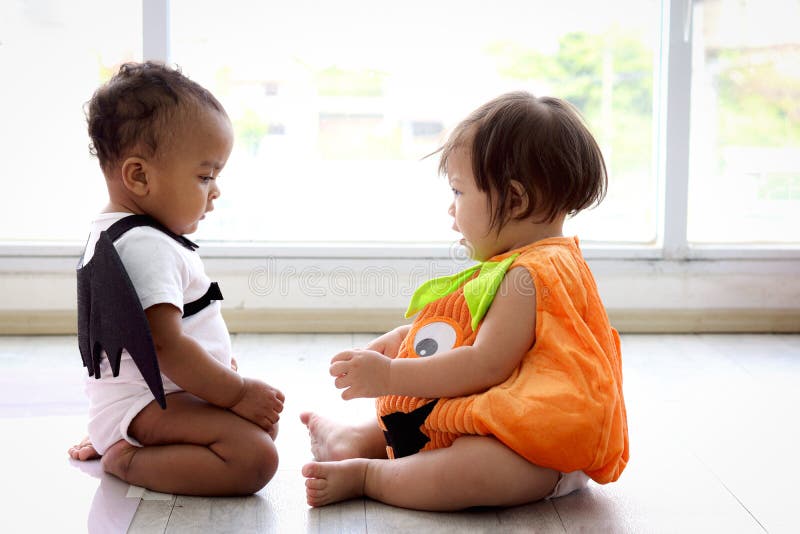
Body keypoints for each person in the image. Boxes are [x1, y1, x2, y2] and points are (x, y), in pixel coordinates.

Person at [301, 91, 629, 510]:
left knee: (469, 467)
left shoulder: (530, 274)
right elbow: (478, 331)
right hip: (518, 416)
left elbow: (482, 364)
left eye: (458, 192)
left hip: (542, 448)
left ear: (514, 199)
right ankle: (352, 439)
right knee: (429, 417)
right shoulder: (534, 261)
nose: (451, 211)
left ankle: (369, 476)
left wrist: (391, 375)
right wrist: (406, 337)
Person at [67, 62, 284, 496]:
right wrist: (235, 392)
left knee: (260, 431)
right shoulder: (144, 246)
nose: (215, 190)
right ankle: (126, 457)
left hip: (146, 400)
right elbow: (165, 345)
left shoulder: (121, 234)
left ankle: (125, 435)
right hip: (146, 404)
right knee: (255, 458)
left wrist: (218, 377)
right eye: (205, 176)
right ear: (140, 176)